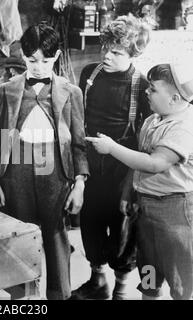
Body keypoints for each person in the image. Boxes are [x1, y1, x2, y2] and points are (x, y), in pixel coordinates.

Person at [0, 23, 89, 300]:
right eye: (32, 60)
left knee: (56, 234)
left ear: (56, 57)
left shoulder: (72, 92)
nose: (39, 67)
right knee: (20, 233)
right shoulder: (7, 90)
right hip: (16, 169)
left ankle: (59, 294)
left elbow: (79, 142)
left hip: (56, 170)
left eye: (46, 60)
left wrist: (79, 183)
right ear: (23, 57)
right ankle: (21, 296)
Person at [85, 63, 193, 300]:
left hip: (175, 214)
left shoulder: (184, 127)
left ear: (174, 98)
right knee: (149, 273)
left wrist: (112, 148)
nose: (146, 91)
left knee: (180, 280)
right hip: (146, 209)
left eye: (153, 89)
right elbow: (138, 163)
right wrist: (127, 190)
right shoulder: (153, 120)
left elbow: (153, 164)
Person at [71, 15, 151, 300]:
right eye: (105, 47)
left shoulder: (141, 84)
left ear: (133, 54)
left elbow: (146, 138)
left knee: (122, 228)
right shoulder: (89, 74)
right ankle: (98, 281)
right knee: (90, 221)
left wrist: (131, 179)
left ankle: (121, 287)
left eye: (116, 52)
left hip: (122, 165)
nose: (106, 55)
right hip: (91, 164)